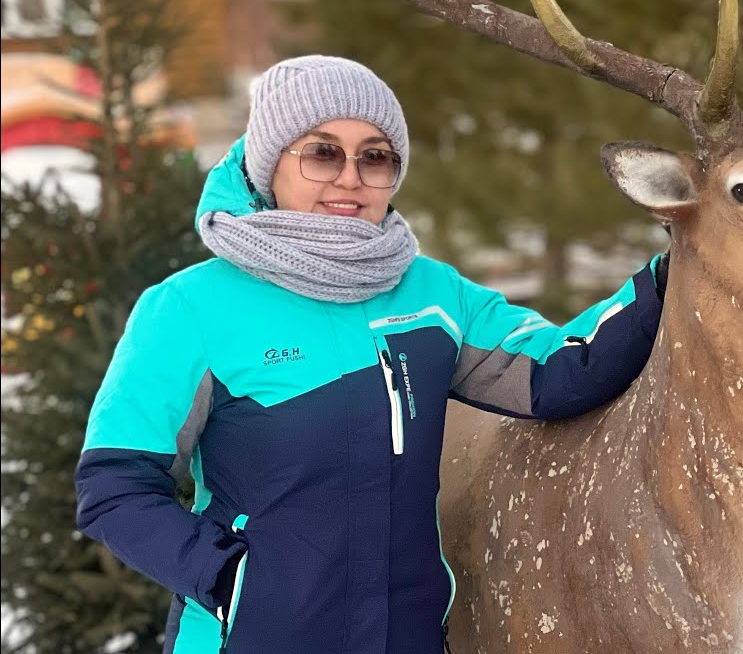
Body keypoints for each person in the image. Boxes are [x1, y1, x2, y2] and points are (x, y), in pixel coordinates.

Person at [73, 55, 667, 654]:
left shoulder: (435, 296)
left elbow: (560, 372)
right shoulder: (189, 308)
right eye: (322, 152)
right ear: (269, 163)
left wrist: (679, 270)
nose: (350, 177)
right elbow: (115, 486)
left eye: (375, 156)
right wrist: (230, 581)